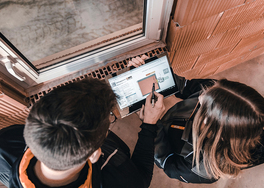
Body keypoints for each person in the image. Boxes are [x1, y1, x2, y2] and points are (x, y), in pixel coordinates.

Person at [128, 55, 264, 184]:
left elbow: (167, 161)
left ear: (211, 128)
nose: (201, 95)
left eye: (203, 106)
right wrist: (152, 70)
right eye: (211, 89)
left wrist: (151, 125)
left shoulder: (199, 169)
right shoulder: (217, 91)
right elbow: (185, 86)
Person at [0, 78, 165, 188]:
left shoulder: (6, 141)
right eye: (109, 118)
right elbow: (142, 177)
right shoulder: (122, 181)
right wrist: (149, 125)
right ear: (95, 153)